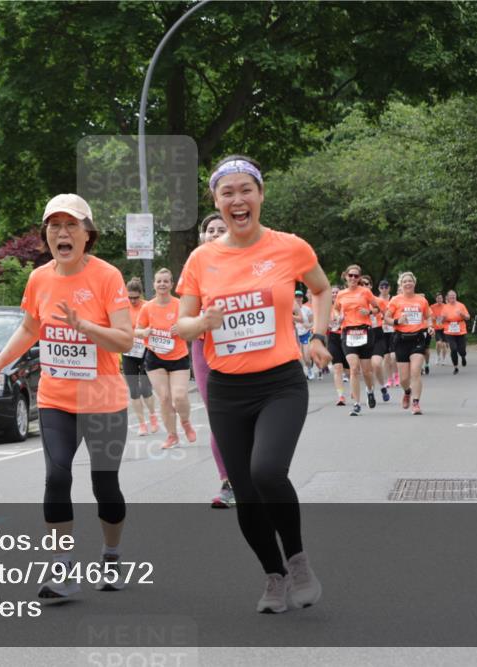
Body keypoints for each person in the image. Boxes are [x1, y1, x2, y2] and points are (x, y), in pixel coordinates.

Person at [177, 155, 330, 613]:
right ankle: (274, 576)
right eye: (227, 193)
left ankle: (298, 561)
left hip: (280, 382)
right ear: (216, 202)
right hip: (226, 389)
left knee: (267, 472)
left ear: (261, 195)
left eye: (246, 190)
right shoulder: (202, 258)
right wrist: (202, 320)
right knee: (244, 491)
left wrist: (318, 336)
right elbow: (181, 326)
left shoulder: (290, 247)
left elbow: (321, 289)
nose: (238, 199)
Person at [0, 193, 133, 601]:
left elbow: (125, 340)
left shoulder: (107, 276)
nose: (62, 232)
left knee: (105, 486)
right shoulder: (39, 278)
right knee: (57, 477)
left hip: (104, 401)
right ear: (47, 235)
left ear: (87, 234)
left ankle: (111, 553)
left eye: (71, 225)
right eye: (54, 225)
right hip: (57, 398)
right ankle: (62, 569)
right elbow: (29, 329)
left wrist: (87, 328)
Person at [193, 213, 234, 509]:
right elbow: (185, 311)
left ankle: (254, 475)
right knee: (219, 418)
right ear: (202, 236)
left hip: (242, 349)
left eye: (221, 229)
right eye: (210, 230)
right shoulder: (196, 266)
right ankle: (227, 482)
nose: (215, 233)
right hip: (205, 348)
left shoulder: (246, 262)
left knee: (247, 417)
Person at [136, 268, 196, 449]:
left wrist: (182, 328)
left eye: (166, 281)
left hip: (178, 357)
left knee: (179, 396)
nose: (162, 284)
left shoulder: (180, 305)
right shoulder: (147, 307)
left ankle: (185, 422)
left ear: (171, 284)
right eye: (159, 281)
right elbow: (135, 331)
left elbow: (193, 327)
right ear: (154, 285)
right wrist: (144, 332)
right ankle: (172, 435)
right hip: (155, 357)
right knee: (164, 398)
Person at [384, 272, 432, 415]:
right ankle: (407, 392)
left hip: (417, 338)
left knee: (416, 372)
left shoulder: (421, 300)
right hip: (401, 339)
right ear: (401, 284)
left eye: (410, 281)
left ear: (414, 283)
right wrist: (398, 321)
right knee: (404, 378)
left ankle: (416, 403)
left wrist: (430, 326)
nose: (407, 283)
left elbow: (429, 316)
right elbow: (386, 318)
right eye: (404, 281)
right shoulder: (395, 300)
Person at [334, 264, 379, 416]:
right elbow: (335, 308)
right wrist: (338, 316)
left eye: (356, 276)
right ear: (345, 276)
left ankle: (370, 390)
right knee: (354, 369)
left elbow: (377, 308)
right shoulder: (341, 294)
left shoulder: (365, 292)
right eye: (350, 275)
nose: (353, 278)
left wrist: (369, 311)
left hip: (365, 332)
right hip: (348, 333)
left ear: (359, 278)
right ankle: (356, 404)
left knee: (366, 371)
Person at [122, 277, 159, 436]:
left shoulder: (147, 307)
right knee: (134, 391)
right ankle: (142, 424)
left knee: (145, 389)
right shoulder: (122, 307)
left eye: (135, 297)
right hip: (128, 352)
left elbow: (154, 325)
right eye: (129, 297)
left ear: (141, 295)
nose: (132, 300)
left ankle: (152, 416)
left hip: (145, 351)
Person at [360, 274, 389, 403]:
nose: (364, 287)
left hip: (377, 334)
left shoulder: (379, 301)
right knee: (367, 370)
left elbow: (387, 315)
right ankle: (369, 391)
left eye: (367, 284)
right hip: (362, 335)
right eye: (362, 284)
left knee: (377, 364)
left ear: (371, 286)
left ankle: (383, 387)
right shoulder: (356, 302)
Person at [327, 285, 350, 406]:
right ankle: (341, 396)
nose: (335, 295)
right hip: (333, 338)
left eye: (337, 293)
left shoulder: (346, 306)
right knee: (337, 367)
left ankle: (354, 387)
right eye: (332, 293)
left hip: (346, 337)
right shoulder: (326, 307)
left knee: (349, 370)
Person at [443, 290, 471, 374]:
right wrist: (442, 318)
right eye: (450, 296)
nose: (452, 297)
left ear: (456, 296)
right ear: (447, 297)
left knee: (462, 350)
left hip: (460, 330)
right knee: (453, 349)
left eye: (454, 296)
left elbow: (468, 317)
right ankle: (455, 367)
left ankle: (463, 356)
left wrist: (462, 314)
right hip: (449, 331)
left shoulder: (461, 305)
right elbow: (439, 321)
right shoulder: (445, 307)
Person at [377, 279, 399, 387]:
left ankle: (396, 376)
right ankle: (389, 379)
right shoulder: (375, 300)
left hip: (393, 330)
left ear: (389, 288)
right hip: (382, 331)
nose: (384, 289)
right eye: (382, 287)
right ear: (379, 289)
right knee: (386, 358)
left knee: (394, 356)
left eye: (386, 287)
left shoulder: (393, 299)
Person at [293, 290, 316, 380]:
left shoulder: (307, 309)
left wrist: (308, 326)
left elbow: (313, 322)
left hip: (305, 334)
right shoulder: (290, 309)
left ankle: (310, 369)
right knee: (299, 357)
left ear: (302, 298)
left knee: (306, 357)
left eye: (300, 297)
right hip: (295, 335)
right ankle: (301, 374)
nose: (298, 299)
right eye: (296, 297)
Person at [431, 292, 450, 366]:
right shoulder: (432, 307)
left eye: (441, 298)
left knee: (444, 345)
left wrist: (444, 318)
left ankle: (444, 359)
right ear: (436, 299)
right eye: (438, 298)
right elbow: (430, 316)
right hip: (436, 328)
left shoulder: (446, 306)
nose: (439, 299)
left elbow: (449, 316)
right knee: (439, 343)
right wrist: (434, 318)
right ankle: (438, 356)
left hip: (445, 328)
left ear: (443, 299)